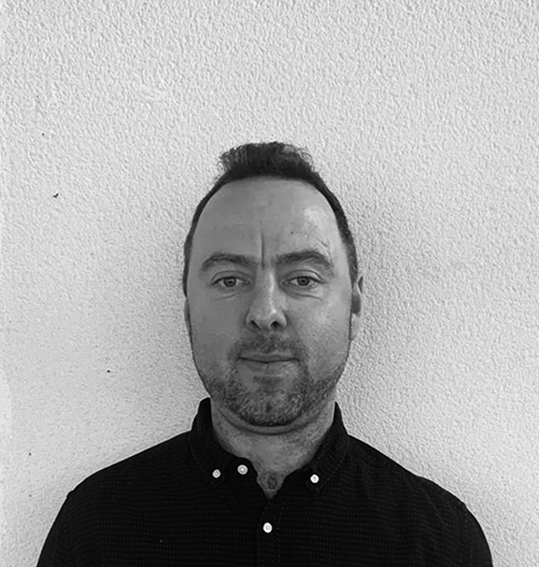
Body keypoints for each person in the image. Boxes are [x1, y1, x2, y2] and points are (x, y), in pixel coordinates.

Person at [37, 142, 493, 566]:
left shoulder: (443, 542)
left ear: (354, 306)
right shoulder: (95, 527)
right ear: (189, 310)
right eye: (230, 280)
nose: (265, 313)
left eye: (303, 278)